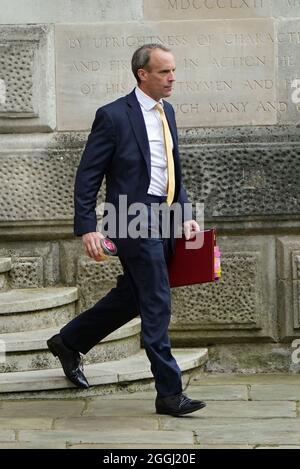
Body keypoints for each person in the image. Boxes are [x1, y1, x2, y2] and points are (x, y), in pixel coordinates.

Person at [47, 44, 206, 417]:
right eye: (165, 72)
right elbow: (88, 175)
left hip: (165, 217)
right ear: (143, 74)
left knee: (133, 297)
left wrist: (183, 214)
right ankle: (169, 393)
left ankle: (68, 341)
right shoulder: (113, 115)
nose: (172, 78)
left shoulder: (167, 112)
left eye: (173, 71)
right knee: (156, 300)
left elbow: (171, 170)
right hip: (131, 219)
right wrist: (88, 227)